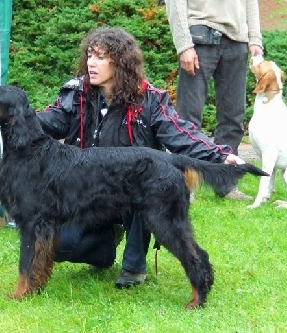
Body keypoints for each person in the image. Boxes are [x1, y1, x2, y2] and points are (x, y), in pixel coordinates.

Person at [36, 27, 246, 288]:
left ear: (120, 62)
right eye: (89, 55)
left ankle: (134, 265)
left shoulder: (150, 100)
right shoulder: (76, 94)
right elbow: (48, 121)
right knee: (62, 246)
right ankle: (105, 246)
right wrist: (13, 115)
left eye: (100, 57)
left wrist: (219, 156)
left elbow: (181, 134)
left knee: (143, 186)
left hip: (134, 191)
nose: (91, 63)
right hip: (88, 193)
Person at [165, 0, 264, 200]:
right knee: (188, 118)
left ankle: (226, 184)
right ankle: (185, 183)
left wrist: (254, 38)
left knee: (233, 117)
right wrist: (184, 44)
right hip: (200, 35)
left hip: (237, 40)